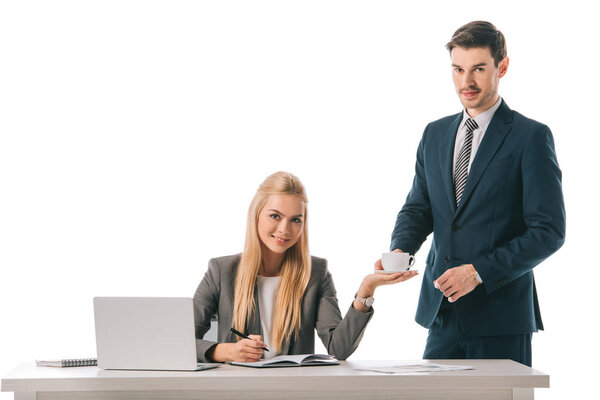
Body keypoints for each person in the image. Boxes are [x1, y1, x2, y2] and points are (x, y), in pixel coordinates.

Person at [377, 21, 565, 366]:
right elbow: (418, 209)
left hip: (501, 317)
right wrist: (400, 249)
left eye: (478, 68)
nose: (467, 82)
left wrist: (477, 271)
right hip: (441, 312)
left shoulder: (530, 137)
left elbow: (548, 232)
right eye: (458, 69)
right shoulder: (434, 134)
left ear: (502, 66)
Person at [194, 171, 417, 363]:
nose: (285, 229)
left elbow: (339, 349)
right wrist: (225, 350)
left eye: (295, 220)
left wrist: (366, 290)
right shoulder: (221, 271)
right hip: (237, 390)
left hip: (295, 390)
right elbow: (180, 341)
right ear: (256, 215)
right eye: (275, 216)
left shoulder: (315, 273)